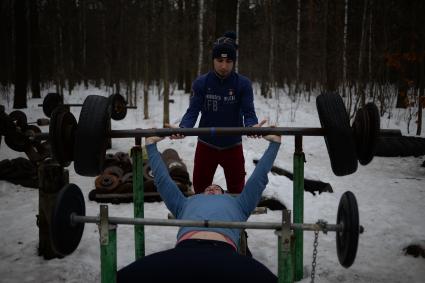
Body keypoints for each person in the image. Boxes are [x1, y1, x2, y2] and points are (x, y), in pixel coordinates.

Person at [117, 134, 282, 283]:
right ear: (199, 194)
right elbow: (162, 180)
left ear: (226, 195)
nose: (211, 188)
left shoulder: (239, 204)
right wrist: (151, 145)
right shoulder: (184, 203)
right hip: (184, 252)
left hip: (225, 255)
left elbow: (258, 178)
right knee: (120, 277)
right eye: (208, 188)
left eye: (217, 188)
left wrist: (274, 145)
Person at [170, 31, 266, 194]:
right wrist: (183, 128)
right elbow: (192, 111)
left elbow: (248, 112)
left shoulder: (243, 84)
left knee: (237, 191)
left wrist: (252, 126)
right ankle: (201, 218)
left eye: (228, 61)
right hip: (207, 144)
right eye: (219, 60)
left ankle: (233, 219)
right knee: (200, 189)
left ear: (234, 62)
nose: (223, 66)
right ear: (213, 60)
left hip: (233, 145)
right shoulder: (201, 82)